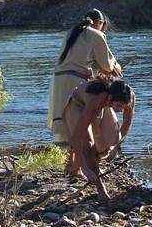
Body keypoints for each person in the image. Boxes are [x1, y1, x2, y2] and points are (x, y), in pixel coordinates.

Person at [47, 9, 122, 171]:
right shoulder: (96, 34)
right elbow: (108, 66)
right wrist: (117, 69)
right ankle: (79, 166)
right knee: (84, 120)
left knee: (70, 121)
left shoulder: (71, 32)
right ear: (99, 23)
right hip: (76, 80)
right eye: (104, 26)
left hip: (59, 81)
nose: (104, 30)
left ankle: (71, 162)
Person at [63, 77, 135, 203]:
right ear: (110, 98)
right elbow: (76, 138)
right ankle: (101, 189)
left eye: (124, 107)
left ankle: (90, 165)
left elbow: (127, 124)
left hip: (106, 102)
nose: (121, 110)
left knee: (112, 137)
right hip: (77, 104)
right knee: (88, 144)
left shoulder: (128, 98)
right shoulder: (94, 102)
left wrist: (115, 145)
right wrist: (85, 168)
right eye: (119, 106)